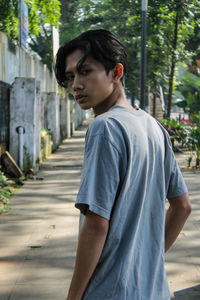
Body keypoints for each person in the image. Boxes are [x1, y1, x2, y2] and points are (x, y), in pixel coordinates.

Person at [55, 29, 192, 300]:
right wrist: (148, 258)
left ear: (116, 72)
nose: (76, 85)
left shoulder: (105, 127)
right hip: (153, 290)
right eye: (70, 77)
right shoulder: (153, 127)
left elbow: (96, 225)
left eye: (85, 72)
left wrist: (73, 297)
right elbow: (182, 206)